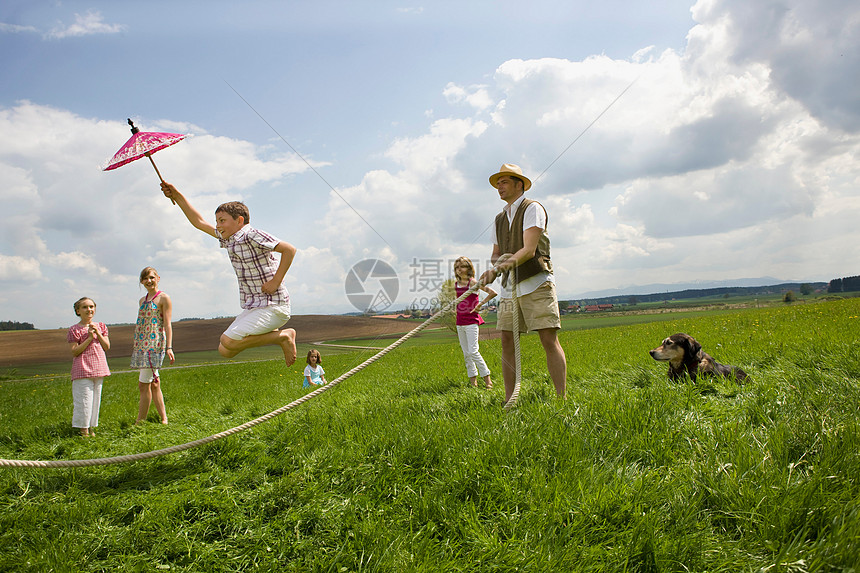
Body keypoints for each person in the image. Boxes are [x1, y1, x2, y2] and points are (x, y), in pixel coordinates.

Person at [160, 182, 298, 366]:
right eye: (217, 221)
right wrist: (176, 196)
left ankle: (283, 337)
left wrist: (276, 281)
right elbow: (199, 222)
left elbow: (289, 249)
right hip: (255, 306)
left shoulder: (252, 234)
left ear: (239, 220)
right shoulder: (230, 240)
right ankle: (280, 336)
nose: (218, 225)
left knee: (228, 341)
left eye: (222, 220)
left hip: (275, 305)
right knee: (224, 350)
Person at [479, 164, 567, 402]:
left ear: (519, 184)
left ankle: (562, 399)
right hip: (509, 288)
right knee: (506, 339)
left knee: (548, 338)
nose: (499, 186)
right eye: (498, 183)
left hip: (536, 282)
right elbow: (496, 253)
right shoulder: (499, 219)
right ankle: (509, 399)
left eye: (504, 182)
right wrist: (494, 269)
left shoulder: (533, 208)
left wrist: (496, 269)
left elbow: (528, 250)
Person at [131, 266, 174, 425]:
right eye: (145, 278)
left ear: (158, 278)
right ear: (142, 282)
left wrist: (169, 347)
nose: (149, 281)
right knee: (154, 383)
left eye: (151, 277)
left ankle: (140, 421)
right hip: (142, 344)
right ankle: (163, 418)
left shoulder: (163, 298)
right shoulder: (142, 301)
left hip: (155, 345)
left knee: (144, 385)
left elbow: (168, 324)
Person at [67, 297, 111, 437]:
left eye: (91, 306)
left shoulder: (101, 326)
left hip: (99, 369)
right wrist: (89, 338)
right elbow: (75, 351)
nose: (89, 310)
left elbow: (107, 346)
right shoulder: (74, 329)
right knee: (84, 401)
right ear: (78, 311)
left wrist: (97, 333)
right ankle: (83, 430)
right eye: (85, 307)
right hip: (82, 370)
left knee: (95, 401)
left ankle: (92, 428)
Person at [453, 256, 496, 389]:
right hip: (460, 321)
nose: (460, 270)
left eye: (462, 266)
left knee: (473, 351)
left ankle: (488, 380)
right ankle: (473, 383)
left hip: (471, 320)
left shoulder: (472, 282)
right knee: (466, 353)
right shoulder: (456, 284)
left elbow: (492, 293)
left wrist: (480, 305)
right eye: (457, 267)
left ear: (469, 268)